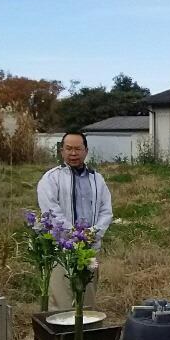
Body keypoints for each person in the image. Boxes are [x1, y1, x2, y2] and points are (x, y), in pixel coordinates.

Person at [37, 132, 114, 311]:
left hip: (89, 250)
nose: (73, 153)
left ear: (86, 151)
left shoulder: (97, 179)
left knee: (87, 301)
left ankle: (86, 336)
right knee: (62, 303)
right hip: (62, 250)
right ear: (61, 151)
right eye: (69, 148)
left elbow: (106, 210)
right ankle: (64, 338)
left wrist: (92, 233)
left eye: (78, 149)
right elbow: (51, 211)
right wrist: (74, 235)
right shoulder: (51, 178)